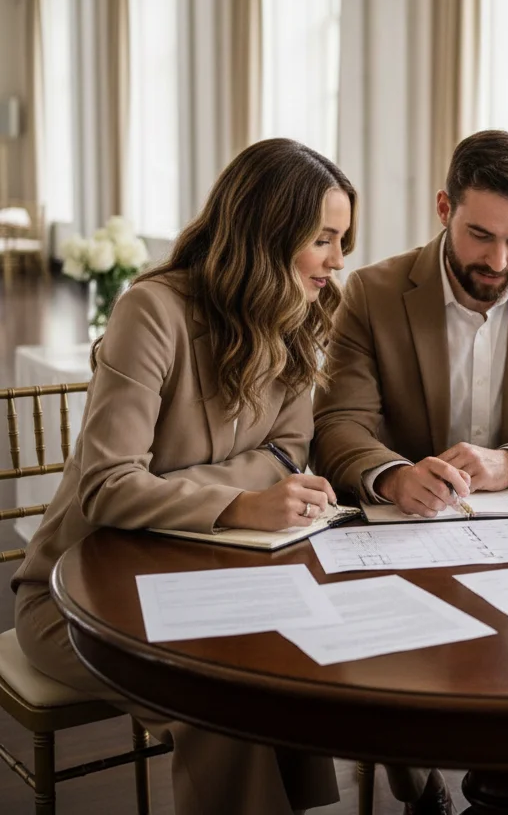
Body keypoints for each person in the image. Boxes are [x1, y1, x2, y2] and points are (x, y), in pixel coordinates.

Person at [14, 138, 357, 815]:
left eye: (342, 239)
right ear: (269, 233)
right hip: (78, 599)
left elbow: (291, 454)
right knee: (220, 704)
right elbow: (108, 486)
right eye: (323, 239)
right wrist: (239, 502)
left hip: (207, 579)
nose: (338, 261)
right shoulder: (152, 311)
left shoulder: (298, 316)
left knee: (295, 672)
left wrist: (182, 484)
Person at [313, 129, 508, 813]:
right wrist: (393, 474)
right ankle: (427, 778)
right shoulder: (371, 293)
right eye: (480, 235)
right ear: (443, 208)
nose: (498, 260)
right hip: (405, 543)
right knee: (406, 675)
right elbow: (338, 425)